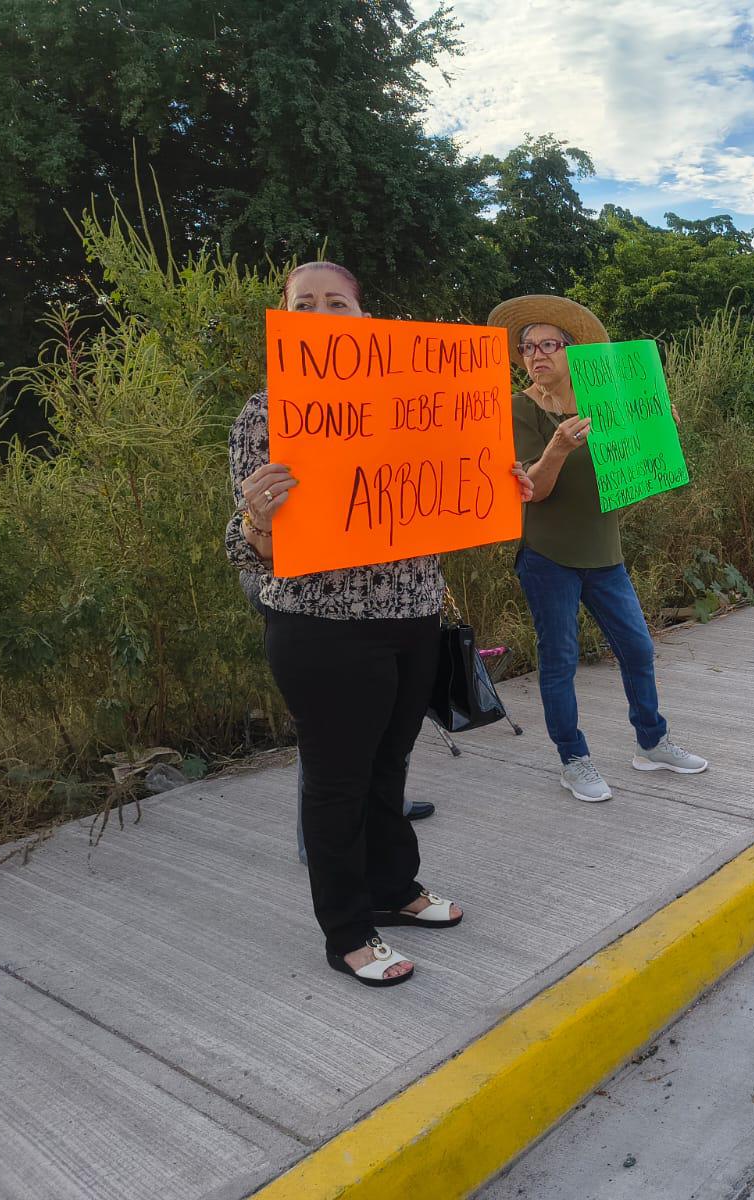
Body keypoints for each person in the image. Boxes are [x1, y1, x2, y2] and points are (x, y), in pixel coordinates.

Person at [227, 261, 533, 989]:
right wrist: (255, 514)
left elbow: (448, 497)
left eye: (339, 301)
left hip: (414, 615)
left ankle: (395, 891)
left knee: (390, 767)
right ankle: (347, 930)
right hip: (320, 628)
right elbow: (247, 549)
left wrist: (502, 486)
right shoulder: (265, 412)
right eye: (307, 304)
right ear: (286, 318)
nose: (325, 312)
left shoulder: (418, 398)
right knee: (337, 781)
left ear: (366, 318)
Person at [487, 294, 708, 804]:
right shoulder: (518, 409)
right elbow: (534, 491)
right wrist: (558, 448)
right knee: (560, 660)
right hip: (548, 556)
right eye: (527, 348)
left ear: (573, 351)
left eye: (549, 345)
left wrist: (659, 428)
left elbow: (640, 471)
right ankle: (573, 759)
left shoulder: (610, 398)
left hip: (604, 551)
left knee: (638, 648)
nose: (537, 355)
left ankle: (652, 742)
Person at [228, 565, 434, 867]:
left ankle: (386, 817)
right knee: (329, 753)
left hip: (400, 604)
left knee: (388, 746)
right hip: (318, 607)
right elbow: (244, 543)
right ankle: (318, 848)